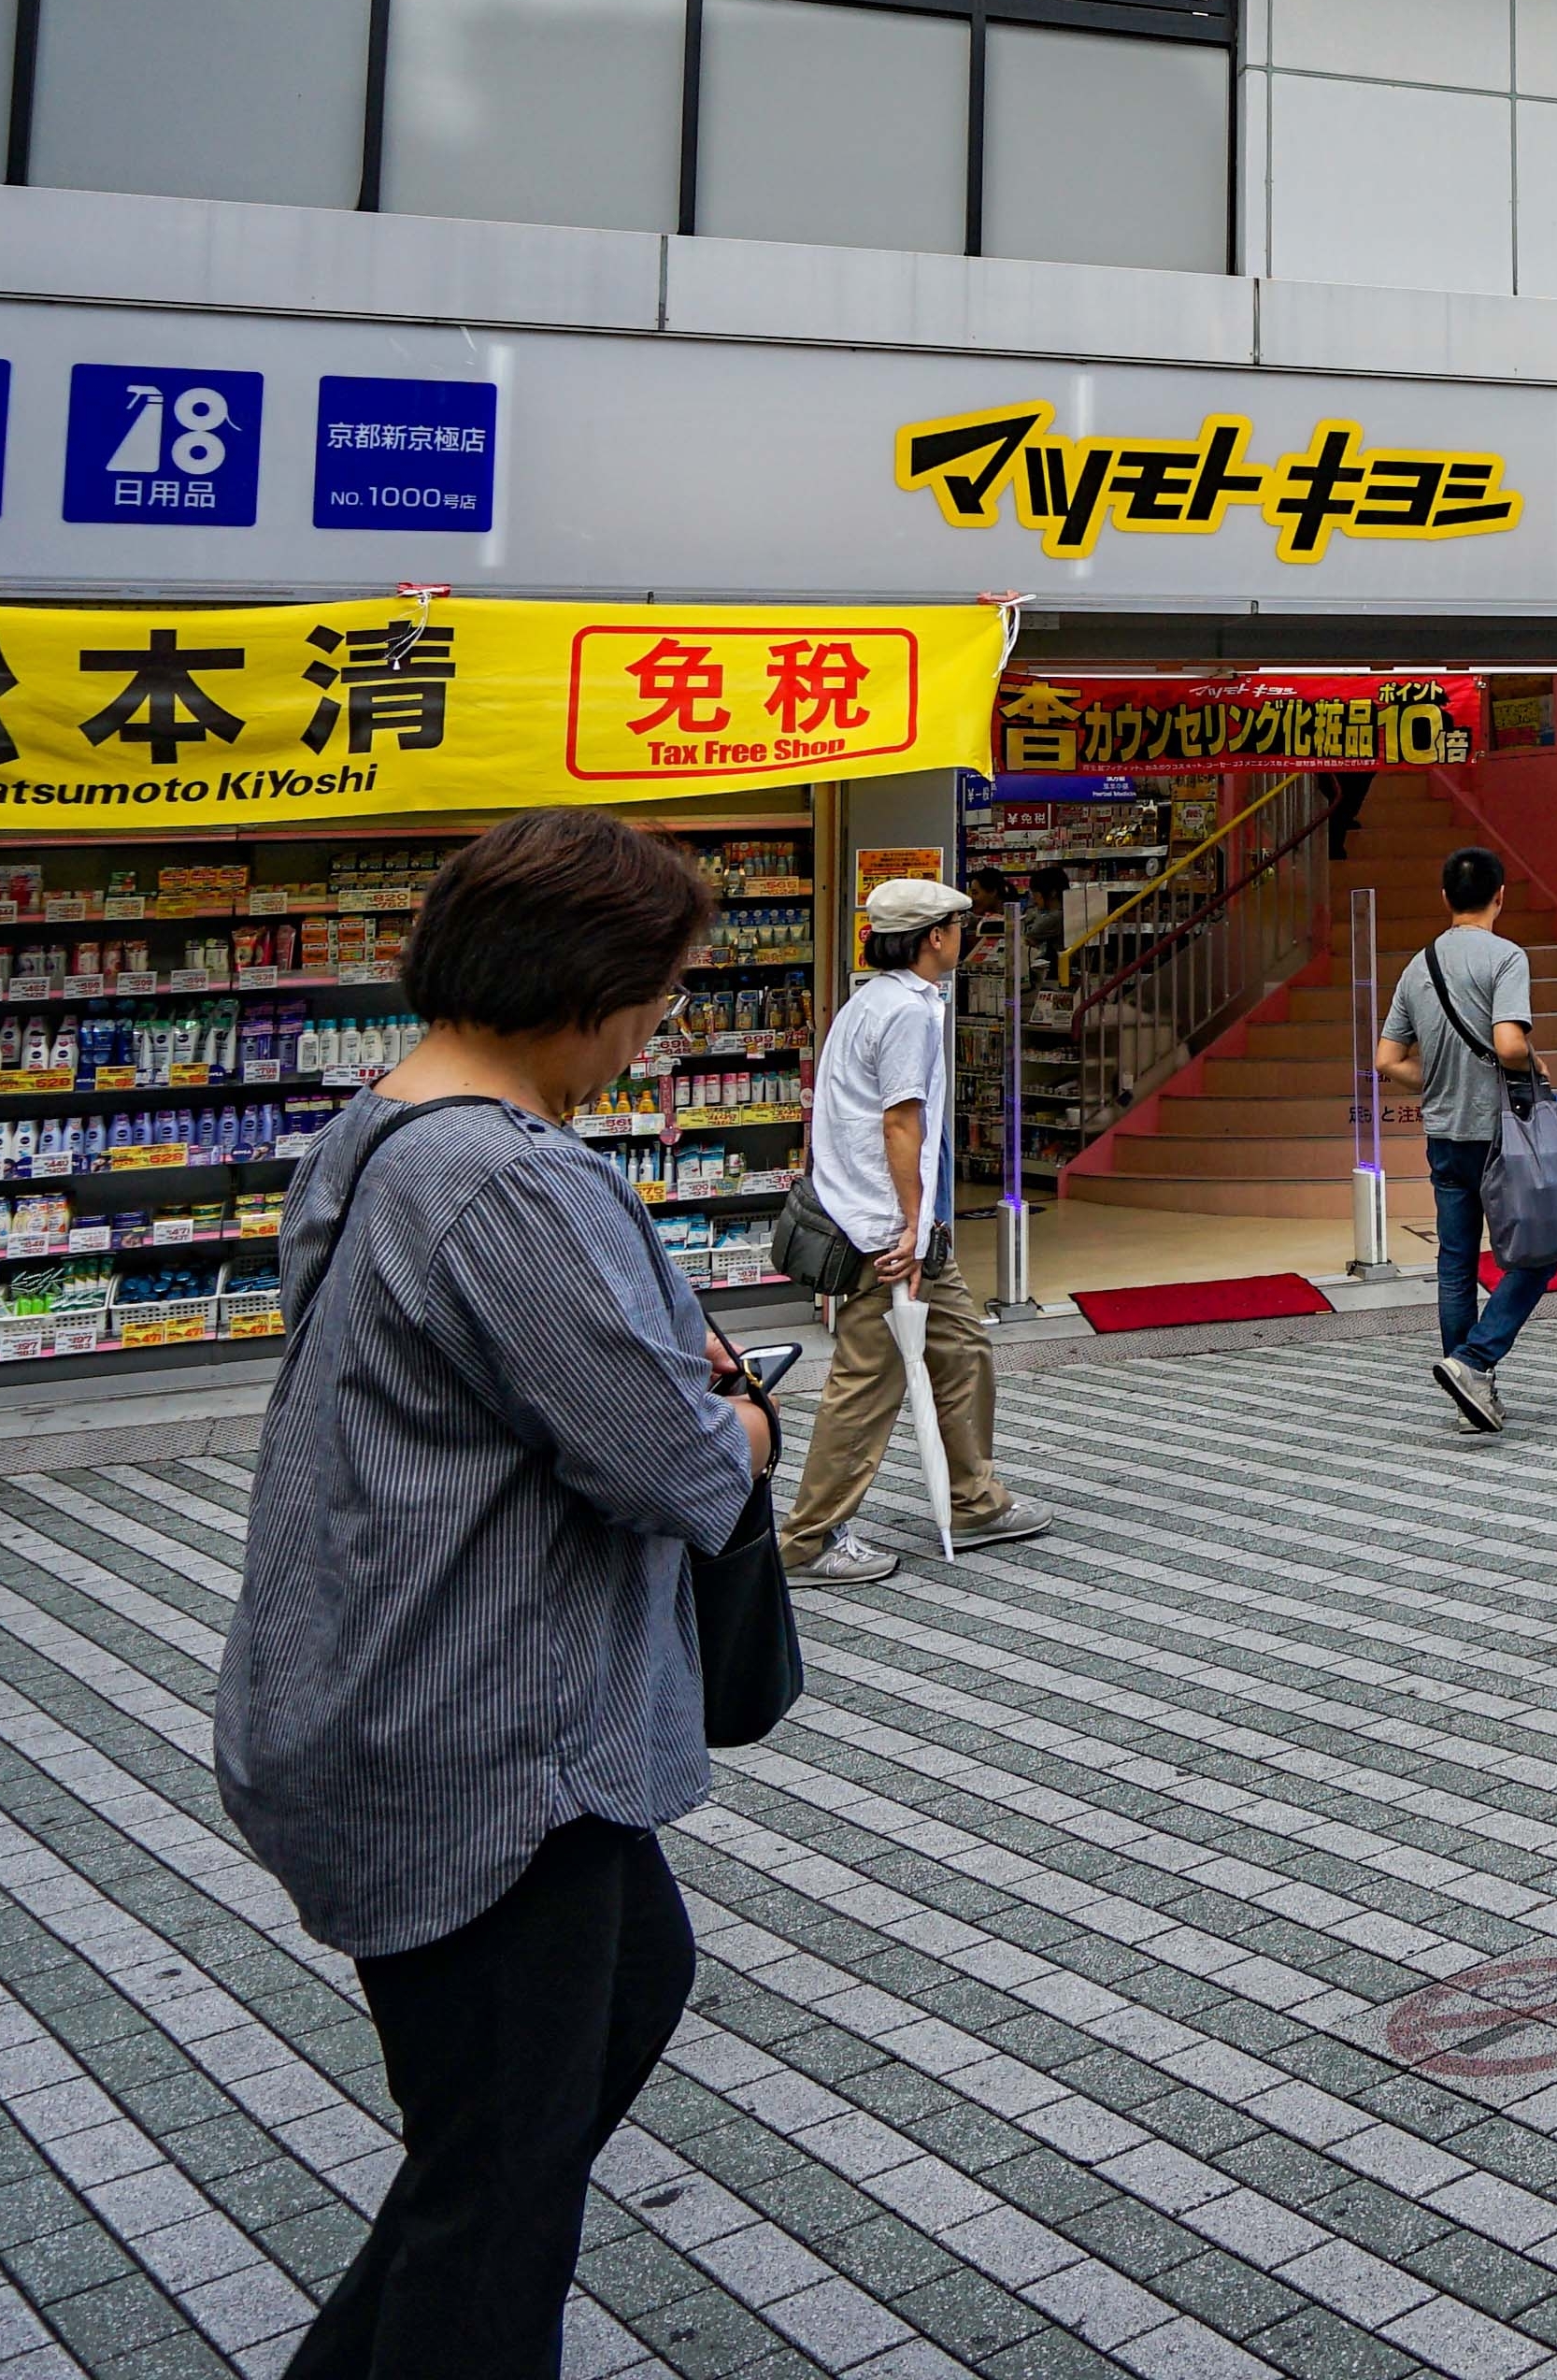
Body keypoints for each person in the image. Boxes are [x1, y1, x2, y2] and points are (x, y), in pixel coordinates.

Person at [218, 811, 785, 2379]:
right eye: (660, 991)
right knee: (500, 2193)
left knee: (596, 2026)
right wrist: (743, 1416)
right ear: (588, 986)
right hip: (483, 1745)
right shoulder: (510, 1179)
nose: (662, 1024)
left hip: (392, 1698)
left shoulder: (383, 1127)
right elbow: (677, 1466)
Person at [780, 874, 1044, 1584]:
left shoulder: (873, 1001)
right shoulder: (904, 1013)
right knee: (868, 1383)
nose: (967, 934)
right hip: (885, 1231)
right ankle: (810, 1538)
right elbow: (901, 1122)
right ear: (935, 937)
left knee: (961, 1349)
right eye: (960, 925)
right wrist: (908, 1226)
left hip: (882, 1219)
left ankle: (974, 1500)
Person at [1379, 846, 1557, 1432]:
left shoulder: (1418, 965)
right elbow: (1509, 1043)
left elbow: (1387, 1059)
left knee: (1455, 1264)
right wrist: (1536, 1064)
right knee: (1541, 1252)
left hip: (1443, 1135)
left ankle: (1469, 1390)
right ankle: (1473, 1361)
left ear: (1444, 899)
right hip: (1499, 1137)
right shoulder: (1506, 957)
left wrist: (1432, 1079)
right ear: (1501, 895)